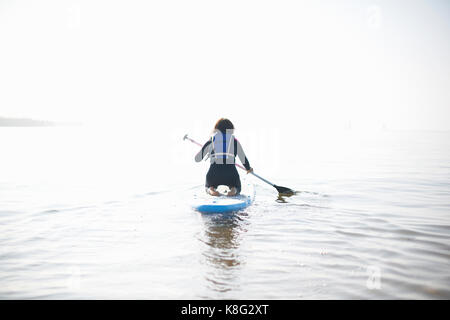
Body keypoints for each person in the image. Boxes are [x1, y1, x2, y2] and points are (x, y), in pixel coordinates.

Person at [195, 118, 253, 196]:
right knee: (237, 187)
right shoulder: (234, 141)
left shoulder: (212, 140)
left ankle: (211, 189)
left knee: (208, 186)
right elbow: (243, 158)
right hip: (231, 174)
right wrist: (248, 168)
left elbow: (198, 158)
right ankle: (233, 190)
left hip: (214, 174)